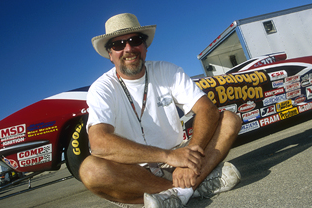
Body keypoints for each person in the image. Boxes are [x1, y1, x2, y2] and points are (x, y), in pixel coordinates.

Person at [79, 13, 242, 208]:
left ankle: (174, 194)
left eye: (135, 40)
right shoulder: (102, 88)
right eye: (118, 45)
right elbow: (99, 143)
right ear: (110, 54)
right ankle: (191, 187)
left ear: (145, 46)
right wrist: (167, 156)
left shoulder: (167, 71)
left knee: (230, 119)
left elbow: (207, 109)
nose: (128, 48)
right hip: (134, 170)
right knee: (90, 170)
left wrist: (187, 157)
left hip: (179, 157)